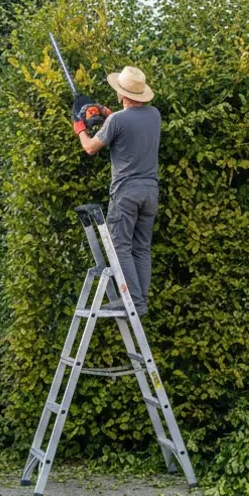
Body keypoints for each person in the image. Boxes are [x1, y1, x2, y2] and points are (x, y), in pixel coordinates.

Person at [72, 66, 159, 316]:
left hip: (126, 193)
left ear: (121, 93)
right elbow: (125, 119)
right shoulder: (154, 115)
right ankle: (140, 302)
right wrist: (104, 112)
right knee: (141, 247)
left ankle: (132, 301)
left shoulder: (117, 121)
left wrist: (80, 126)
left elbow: (90, 147)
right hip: (150, 192)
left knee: (120, 245)